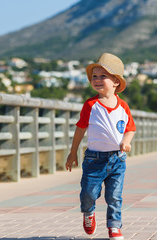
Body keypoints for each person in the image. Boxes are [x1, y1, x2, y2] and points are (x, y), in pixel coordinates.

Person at [65, 53, 136, 240]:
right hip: (94, 159)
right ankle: (88, 213)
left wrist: (126, 142)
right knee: (88, 193)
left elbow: (130, 129)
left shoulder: (123, 107)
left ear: (115, 82)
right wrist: (73, 153)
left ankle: (114, 227)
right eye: (94, 76)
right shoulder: (90, 105)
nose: (97, 80)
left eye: (102, 76)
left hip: (117, 159)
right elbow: (80, 130)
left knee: (114, 196)